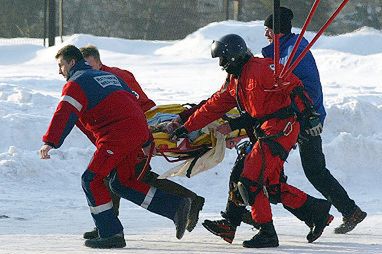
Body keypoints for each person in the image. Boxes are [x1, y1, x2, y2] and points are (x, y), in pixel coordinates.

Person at [203, 6, 366, 243]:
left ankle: (345, 211)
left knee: (311, 171)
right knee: (260, 173)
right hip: (278, 121)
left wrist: (308, 117)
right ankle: (238, 217)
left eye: (268, 30)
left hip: (299, 120)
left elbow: (305, 88)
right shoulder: (275, 54)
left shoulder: (295, 52)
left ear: (276, 31)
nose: (266, 34)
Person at [171, 34, 333, 248]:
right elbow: (213, 106)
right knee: (271, 186)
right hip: (264, 131)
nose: (221, 65)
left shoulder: (262, 68)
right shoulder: (235, 80)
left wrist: (310, 116)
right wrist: (186, 127)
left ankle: (267, 232)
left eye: (223, 59)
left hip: (280, 130)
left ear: (234, 55)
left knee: (249, 180)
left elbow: (294, 86)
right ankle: (317, 212)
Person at [39, 45, 194, 249]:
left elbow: (64, 113)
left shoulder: (76, 84)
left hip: (117, 136)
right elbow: (134, 108)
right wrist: (146, 140)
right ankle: (175, 206)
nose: (59, 71)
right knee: (122, 182)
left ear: (72, 63)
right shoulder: (110, 78)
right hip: (134, 132)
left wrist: (50, 142)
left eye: (61, 65)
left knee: (92, 179)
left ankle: (111, 233)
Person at [79, 45, 205, 240]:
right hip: (125, 134)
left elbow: (132, 106)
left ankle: (187, 201)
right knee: (122, 178)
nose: (83, 69)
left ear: (97, 61)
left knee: (129, 179)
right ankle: (107, 226)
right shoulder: (94, 80)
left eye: (87, 64)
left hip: (134, 132)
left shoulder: (112, 77)